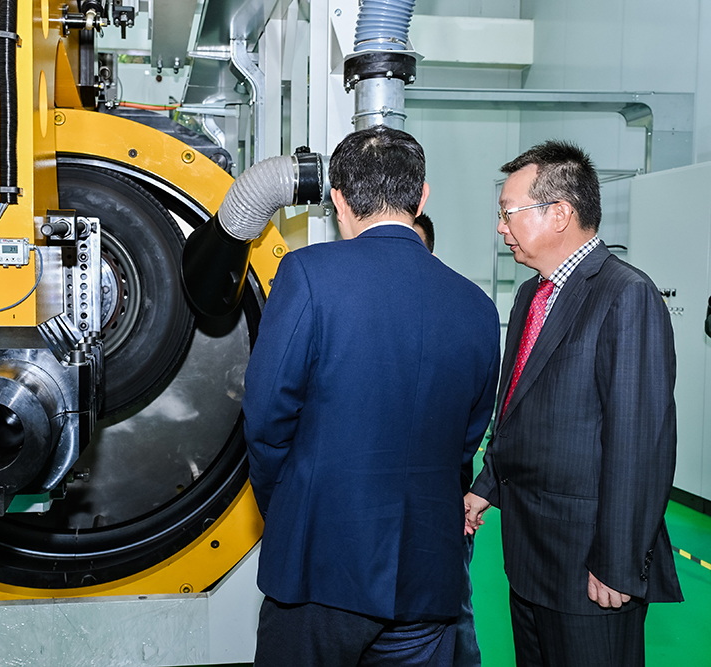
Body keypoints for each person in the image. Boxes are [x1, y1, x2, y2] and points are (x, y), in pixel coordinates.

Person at [243, 126, 500, 667]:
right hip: (428, 575)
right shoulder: (476, 305)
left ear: (338, 200)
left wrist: (289, 509)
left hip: (319, 569)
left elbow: (266, 420)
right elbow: (466, 440)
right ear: (422, 196)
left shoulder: (308, 275)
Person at [464, 140, 683, 667]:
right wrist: (487, 486)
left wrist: (617, 562)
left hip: (590, 568)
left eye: (508, 213)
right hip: (529, 557)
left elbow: (640, 444)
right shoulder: (531, 295)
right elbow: (517, 409)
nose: (501, 227)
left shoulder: (625, 294)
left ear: (559, 213)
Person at [411, 212, 481, 667]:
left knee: (455, 614)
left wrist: (461, 500)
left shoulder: (459, 319)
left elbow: (469, 428)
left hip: (442, 507)